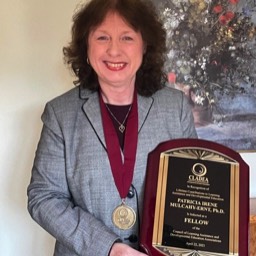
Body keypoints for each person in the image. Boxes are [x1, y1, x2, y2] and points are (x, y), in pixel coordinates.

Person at [27, 0, 197, 255]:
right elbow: (43, 197)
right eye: (102, 37)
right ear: (86, 47)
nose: (114, 51)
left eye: (127, 37)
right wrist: (109, 248)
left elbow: (192, 189)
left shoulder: (176, 107)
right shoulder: (59, 114)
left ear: (145, 45)